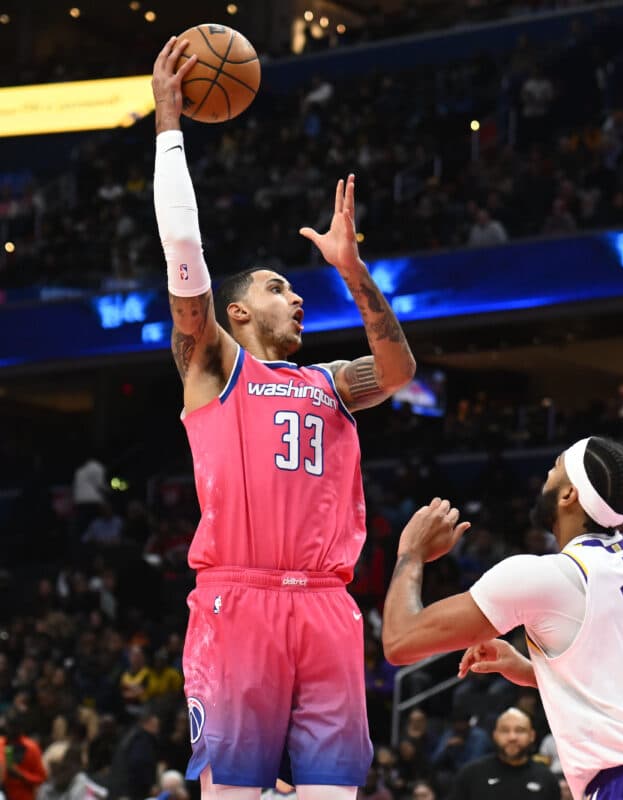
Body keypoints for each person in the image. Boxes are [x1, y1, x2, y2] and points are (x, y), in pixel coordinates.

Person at [150, 36, 415, 798]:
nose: (294, 295)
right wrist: (171, 124)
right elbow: (183, 252)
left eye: (295, 288)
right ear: (236, 310)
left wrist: (355, 276)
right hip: (241, 599)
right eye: (275, 287)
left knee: (336, 792)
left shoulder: (330, 382)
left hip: (329, 605)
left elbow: (398, 371)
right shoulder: (215, 364)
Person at [381, 437, 623, 799]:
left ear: (569, 495)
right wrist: (528, 670)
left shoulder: (548, 576)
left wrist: (410, 554)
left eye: (554, 468)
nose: (545, 477)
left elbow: (399, 641)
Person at [448, 708, 558, 799]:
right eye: (505, 731)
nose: (512, 737)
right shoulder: (470, 775)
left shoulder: (546, 779)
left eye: (520, 730)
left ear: (532, 736)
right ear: (495, 735)